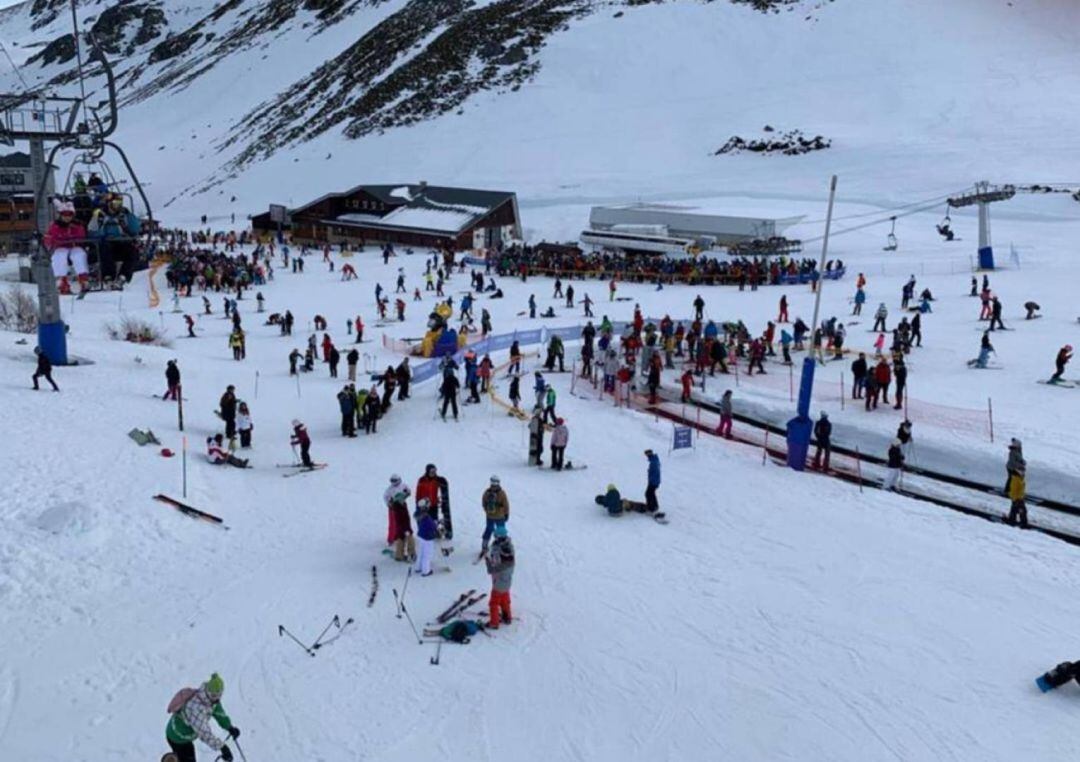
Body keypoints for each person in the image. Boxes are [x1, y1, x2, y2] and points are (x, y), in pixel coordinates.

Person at [165, 673, 238, 762]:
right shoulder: (196, 709)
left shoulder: (210, 699)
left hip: (185, 736)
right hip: (177, 737)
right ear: (209, 692)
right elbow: (204, 734)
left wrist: (229, 727)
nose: (217, 698)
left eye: (219, 695)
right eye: (215, 695)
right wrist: (222, 747)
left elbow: (219, 713)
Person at [88, 195, 141, 282]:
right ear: (109, 203)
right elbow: (91, 232)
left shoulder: (124, 215)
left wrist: (129, 217)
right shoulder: (100, 215)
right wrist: (102, 234)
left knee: (132, 251)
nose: (118, 206)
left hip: (120, 243)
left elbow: (135, 230)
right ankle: (108, 275)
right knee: (105, 247)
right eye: (115, 203)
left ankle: (124, 275)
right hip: (105, 243)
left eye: (120, 203)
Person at [45, 201, 89, 295]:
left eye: (69, 215)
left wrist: (73, 236)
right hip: (61, 247)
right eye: (64, 214)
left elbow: (81, 237)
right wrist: (54, 241)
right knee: (59, 256)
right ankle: (61, 280)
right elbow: (49, 238)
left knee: (79, 255)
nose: (67, 217)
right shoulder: (55, 226)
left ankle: (83, 278)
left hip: (74, 246)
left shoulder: (77, 225)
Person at [485, 524, 515, 628]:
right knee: (505, 599)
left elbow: (494, 567)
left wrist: (488, 561)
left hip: (499, 582)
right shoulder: (509, 546)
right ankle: (507, 617)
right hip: (507, 581)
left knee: (493, 603)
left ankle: (494, 623)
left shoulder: (499, 550)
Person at [416, 463, 453, 540]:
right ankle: (425, 534)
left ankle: (434, 533)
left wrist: (442, 501)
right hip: (424, 505)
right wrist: (418, 503)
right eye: (431, 471)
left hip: (434, 504)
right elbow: (418, 493)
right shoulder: (421, 480)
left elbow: (443, 487)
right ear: (427, 471)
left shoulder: (437, 480)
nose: (433, 473)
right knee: (424, 520)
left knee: (434, 520)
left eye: (434, 471)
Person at [481, 475, 509, 553]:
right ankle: (502, 546)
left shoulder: (487, 492)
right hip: (500, 516)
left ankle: (484, 545)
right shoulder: (502, 493)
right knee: (501, 531)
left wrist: (487, 511)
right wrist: (506, 514)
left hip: (490, 516)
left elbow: (483, 503)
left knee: (489, 529)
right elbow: (506, 504)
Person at [414, 501, 438, 576]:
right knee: (427, 555)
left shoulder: (419, 514)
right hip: (427, 538)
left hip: (421, 536)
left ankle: (418, 567)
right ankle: (426, 571)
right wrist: (436, 530)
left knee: (421, 553)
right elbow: (432, 527)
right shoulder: (426, 518)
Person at [1007, 463, 1028, 528]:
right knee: (1022, 511)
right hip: (1017, 499)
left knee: (1014, 510)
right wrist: (1015, 499)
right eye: (1021, 470)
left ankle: (1011, 520)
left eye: (1024, 470)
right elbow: (1013, 490)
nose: (1023, 472)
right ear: (1017, 470)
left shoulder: (1020, 478)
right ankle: (1023, 524)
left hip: (1019, 498)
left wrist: (1022, 495)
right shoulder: (1016, 479)